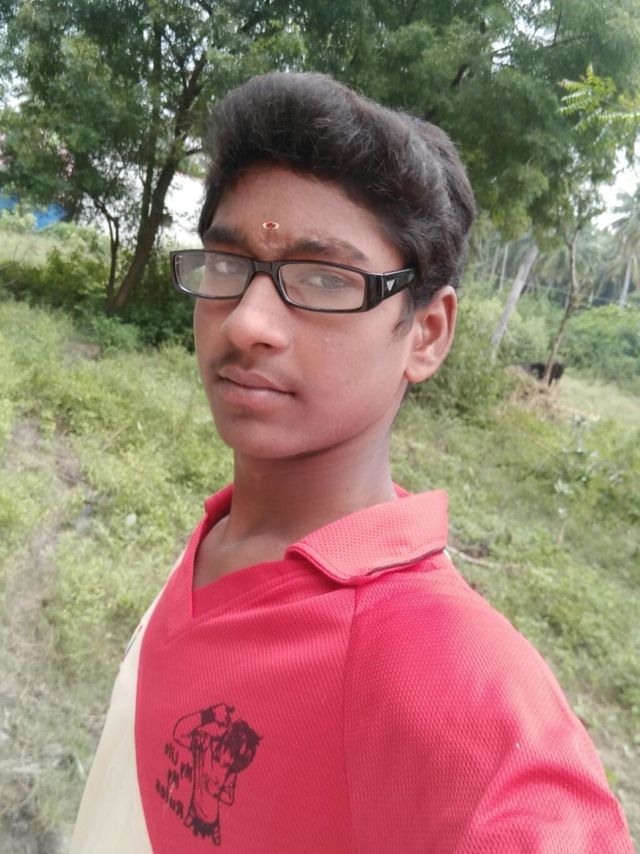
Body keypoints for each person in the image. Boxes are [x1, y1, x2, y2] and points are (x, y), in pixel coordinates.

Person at [70, 72, 634, 853]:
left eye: (324, 280)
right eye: (227, 263)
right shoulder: (224, 533)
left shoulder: (442, 671)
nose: (248, 322)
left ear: (427, 334)